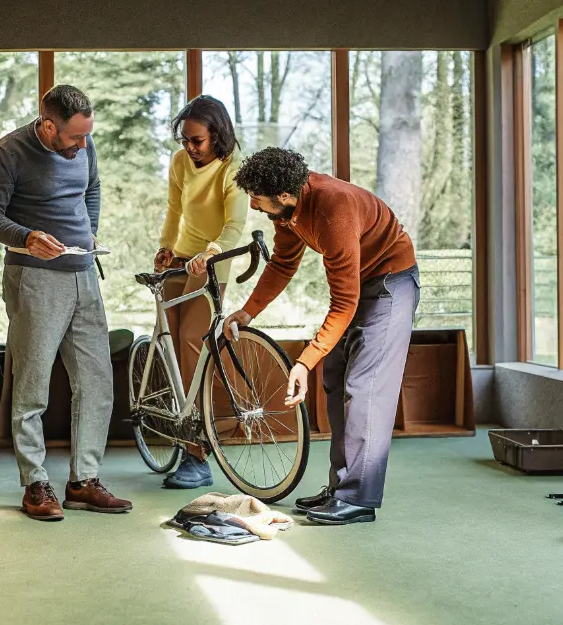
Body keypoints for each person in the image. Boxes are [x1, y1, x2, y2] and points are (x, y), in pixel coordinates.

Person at [224, 147, 420, 526]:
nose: (253, 207)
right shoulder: (286, 210)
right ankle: (342, 487)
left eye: (257, 200)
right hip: (362, 283)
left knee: (366, 387)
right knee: (334, 377)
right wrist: (249, 311)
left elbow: (345, 301)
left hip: (392, 283)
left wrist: (303, 362)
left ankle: (358, 499)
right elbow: (282, 263)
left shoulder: (334, 208)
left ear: (283, 195)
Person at [0, 84, 132, 521]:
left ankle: (84, 480)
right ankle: (35, 484)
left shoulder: (85, 142)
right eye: (74, 138)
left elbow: (93, 187)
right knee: (31, 385)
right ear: (47, 125)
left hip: (84, 275)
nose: (82, 145)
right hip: (35, 280)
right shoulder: (7, 153)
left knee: (97, 382)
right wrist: (26, 237)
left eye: (86, 136)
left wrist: (90, 230)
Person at [153, 95, 248, 490]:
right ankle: (179, 434)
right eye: (185, 140)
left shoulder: (235, 168)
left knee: (193, 342)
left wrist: (208, 254)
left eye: (198, 141)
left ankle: (198, 455)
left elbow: (233, 227)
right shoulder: (180, 162)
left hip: (212, 259)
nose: (190, 148)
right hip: (181, 256)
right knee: (169, 346)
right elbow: (175, 211)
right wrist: (165, 248)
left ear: (217, 136)